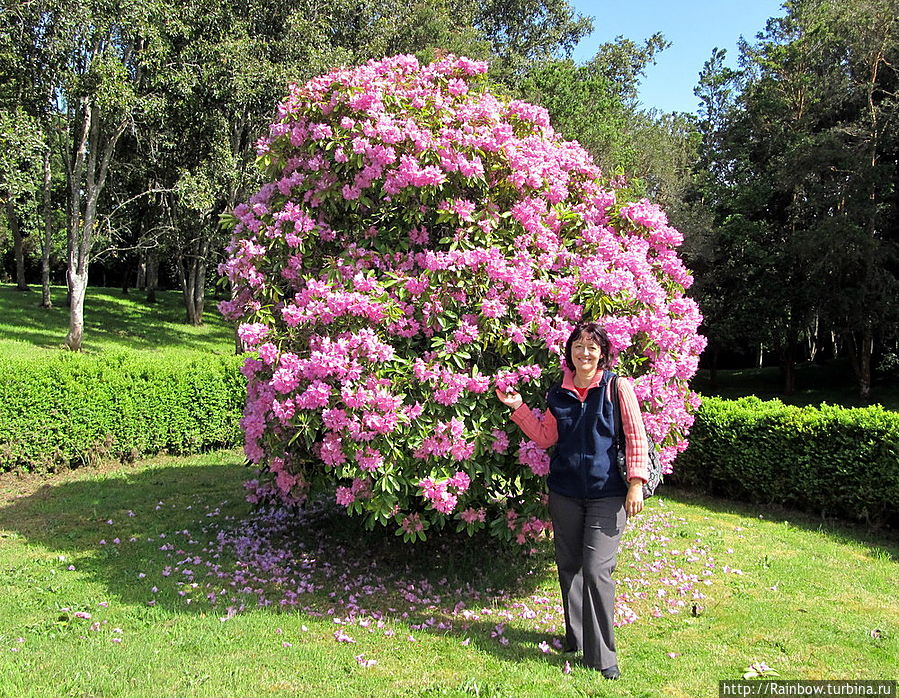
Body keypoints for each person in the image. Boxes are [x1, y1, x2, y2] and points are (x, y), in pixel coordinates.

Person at [495, 321, 649, 679]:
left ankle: (603, 656)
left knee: (597, 570)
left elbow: (635, 434)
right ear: (570, 352)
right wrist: (519, 408)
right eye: (578, 346)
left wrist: (635, 483)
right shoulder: (558, 393)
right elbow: (547, 437)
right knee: (570, 567)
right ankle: (575, 637)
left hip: (607, 494)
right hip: (565, 492)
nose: (584, 353)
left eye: (592, 347)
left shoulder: (616, 387)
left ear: (603, 353)